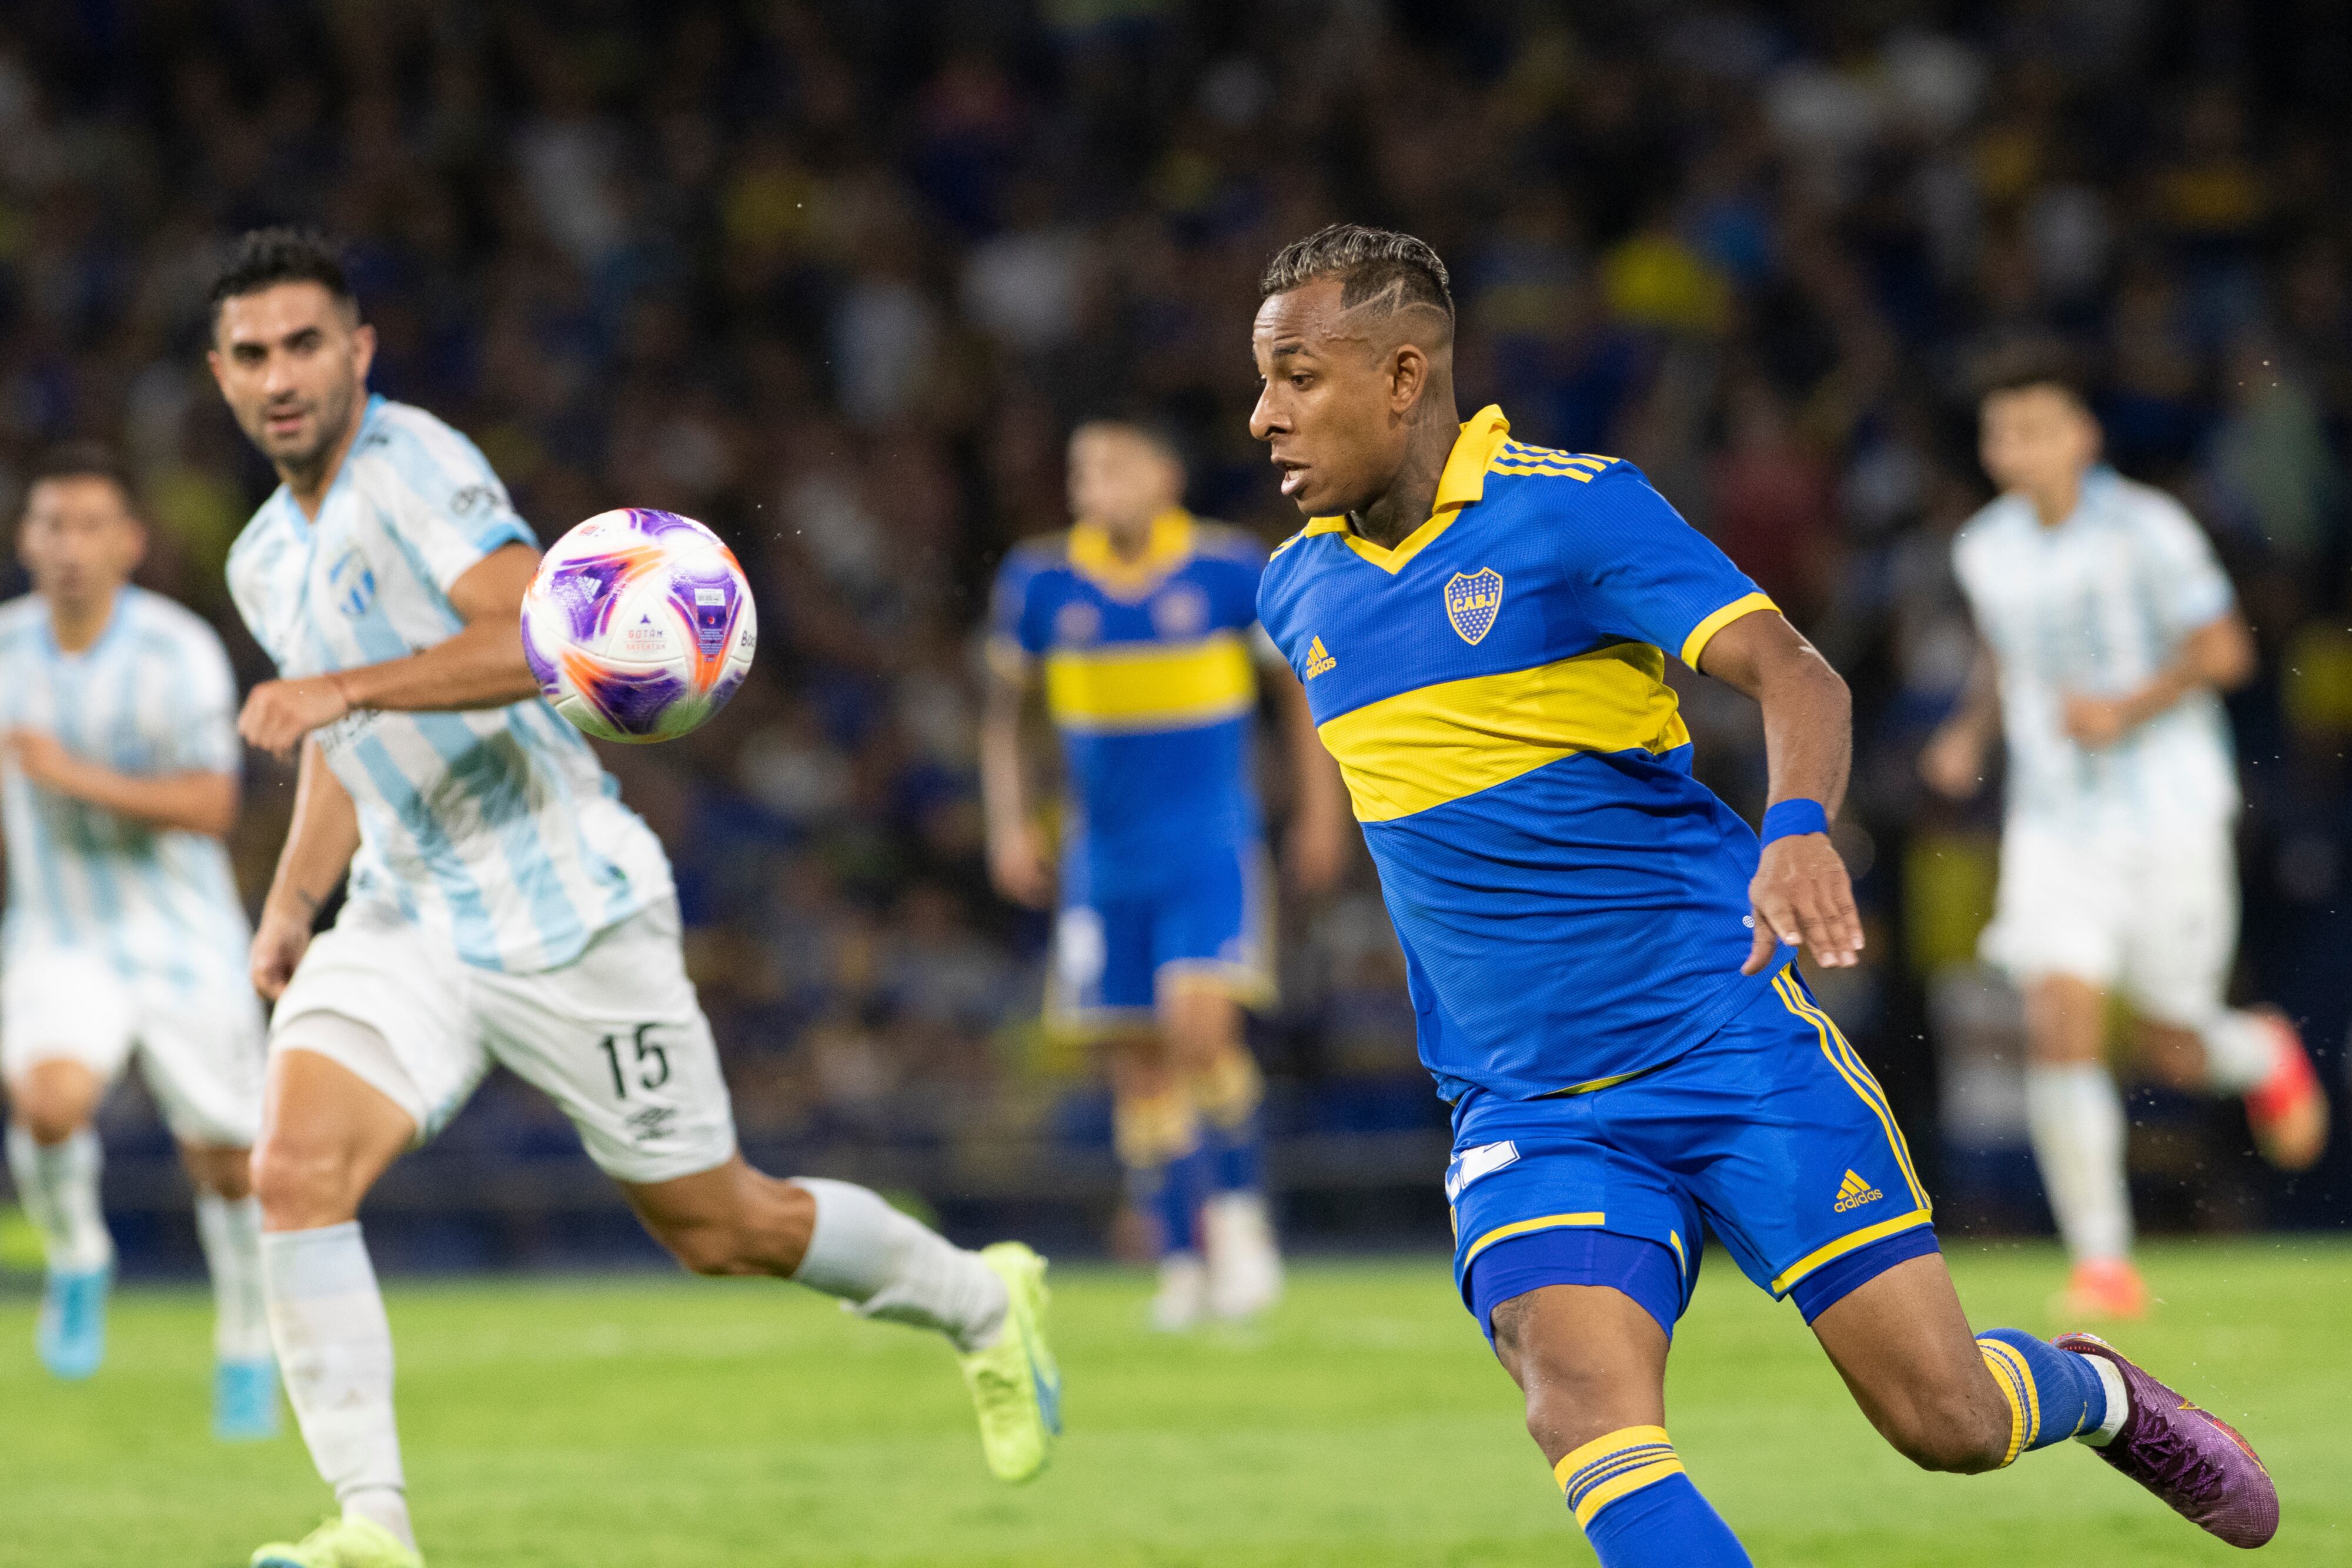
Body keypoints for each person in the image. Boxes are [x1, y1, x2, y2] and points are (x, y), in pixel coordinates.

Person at [1248, 224, 2278, 1563]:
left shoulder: (1573, 510)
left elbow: (1799, 675)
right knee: (1580, 1412)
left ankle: (2090, 1386)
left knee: (1943, 1417)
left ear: (1400, 376)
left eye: (1295, 377)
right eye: (1261, 382)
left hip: (1721, 1039)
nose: (1263, 415)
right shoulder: (1295, 588)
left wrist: (1794, 831)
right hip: (1526, 1100)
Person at [203, 228, 1058, 1568]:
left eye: (305, 343)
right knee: (295, 1170)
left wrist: (343, 689)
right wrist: (290, 903)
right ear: (220, 373)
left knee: (721, 1225)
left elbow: (525, 633)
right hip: (409, 914)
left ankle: (979, 1300)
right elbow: (344, 740)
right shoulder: (263, 556)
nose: (280, 375)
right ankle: (374, 1527)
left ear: (358, 350)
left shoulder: (415, 467)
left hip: (566, 914)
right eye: (251, 354)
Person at [1920, 356, 2327, 1320]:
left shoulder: (2150, 529)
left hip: (2170, 811)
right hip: (2056, 823)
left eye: (2032, 429)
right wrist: (1968, 731)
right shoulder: (1986, 547)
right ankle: (2104, 1262)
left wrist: (2126, 708)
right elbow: (2004, 655)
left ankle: (2259, 1049)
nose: (2012, 450)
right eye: (1999, 434)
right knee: (2056, 1017)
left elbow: (2227, 649)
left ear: (2080, 437)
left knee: (2170, 1048)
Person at [980, 419, 1349, 1328]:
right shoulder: (1040, 582)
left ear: (1164, 473)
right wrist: (1012, 822)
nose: (1090, 483)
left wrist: (1319, 812)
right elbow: (1004, 716)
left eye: (1110, 465)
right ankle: (1181, 1264)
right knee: (1138, 1067)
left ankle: (1241, 1228)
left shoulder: (1226, 571)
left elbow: (1293, 694)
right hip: (1102, 860)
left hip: (1208, 846)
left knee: (1202, 1029)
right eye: (1079, 468)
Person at [0, 445, 278, 1439]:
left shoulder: (177, 651)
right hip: (61, 934)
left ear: (129, 543)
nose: (69, 546)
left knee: (229, 1165)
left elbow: (211, 804)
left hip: (184, 941)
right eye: (51, 524)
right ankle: (78, 1256)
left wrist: (68, 774)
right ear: (26, 539)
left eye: (89, 526)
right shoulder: (6, 651)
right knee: (48, 1099)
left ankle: (247, 1334)